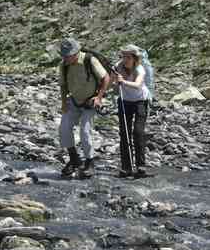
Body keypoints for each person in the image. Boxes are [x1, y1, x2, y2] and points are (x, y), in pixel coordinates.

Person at [58, 37, 111, 179]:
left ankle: (89, 162)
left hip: (90, 101)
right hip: (74, 100)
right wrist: (64, 103)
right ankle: (74, 159)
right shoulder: (64, 65)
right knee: (64, 128)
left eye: (68, 56)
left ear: (76, 53)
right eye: (64, 56)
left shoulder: (89, 60)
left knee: (85, 131)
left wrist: (99, 97)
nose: (65, 58)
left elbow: (106, 78)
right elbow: (63, 85)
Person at [113, 44, 153, 179]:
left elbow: (137, 85)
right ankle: (126, 167)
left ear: (134, 58)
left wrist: (122, 81)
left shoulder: (140, 69)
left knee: (138, 132)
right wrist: (115, 83)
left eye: (128, 57)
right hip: (125, 101)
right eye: (123, 56)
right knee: (124, 133)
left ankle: (141, 166)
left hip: (141, 101)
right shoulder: (118, 66)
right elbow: (114, 82)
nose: (125, 59)